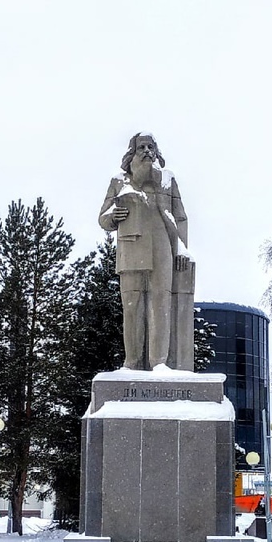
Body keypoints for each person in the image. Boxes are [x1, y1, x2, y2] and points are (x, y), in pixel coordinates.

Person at [98, 133, 195, 370]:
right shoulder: (119, 181)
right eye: (141, 147)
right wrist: (112, 217)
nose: (147, 151)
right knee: (132, 307)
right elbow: (103, 217)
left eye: (151, 147)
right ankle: (132, 362)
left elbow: (180, 217)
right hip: (131, 247)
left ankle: (159, 363)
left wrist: (181, 248)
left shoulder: (166, 180)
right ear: (132, 151)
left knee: (160, 304)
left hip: (162, 246)